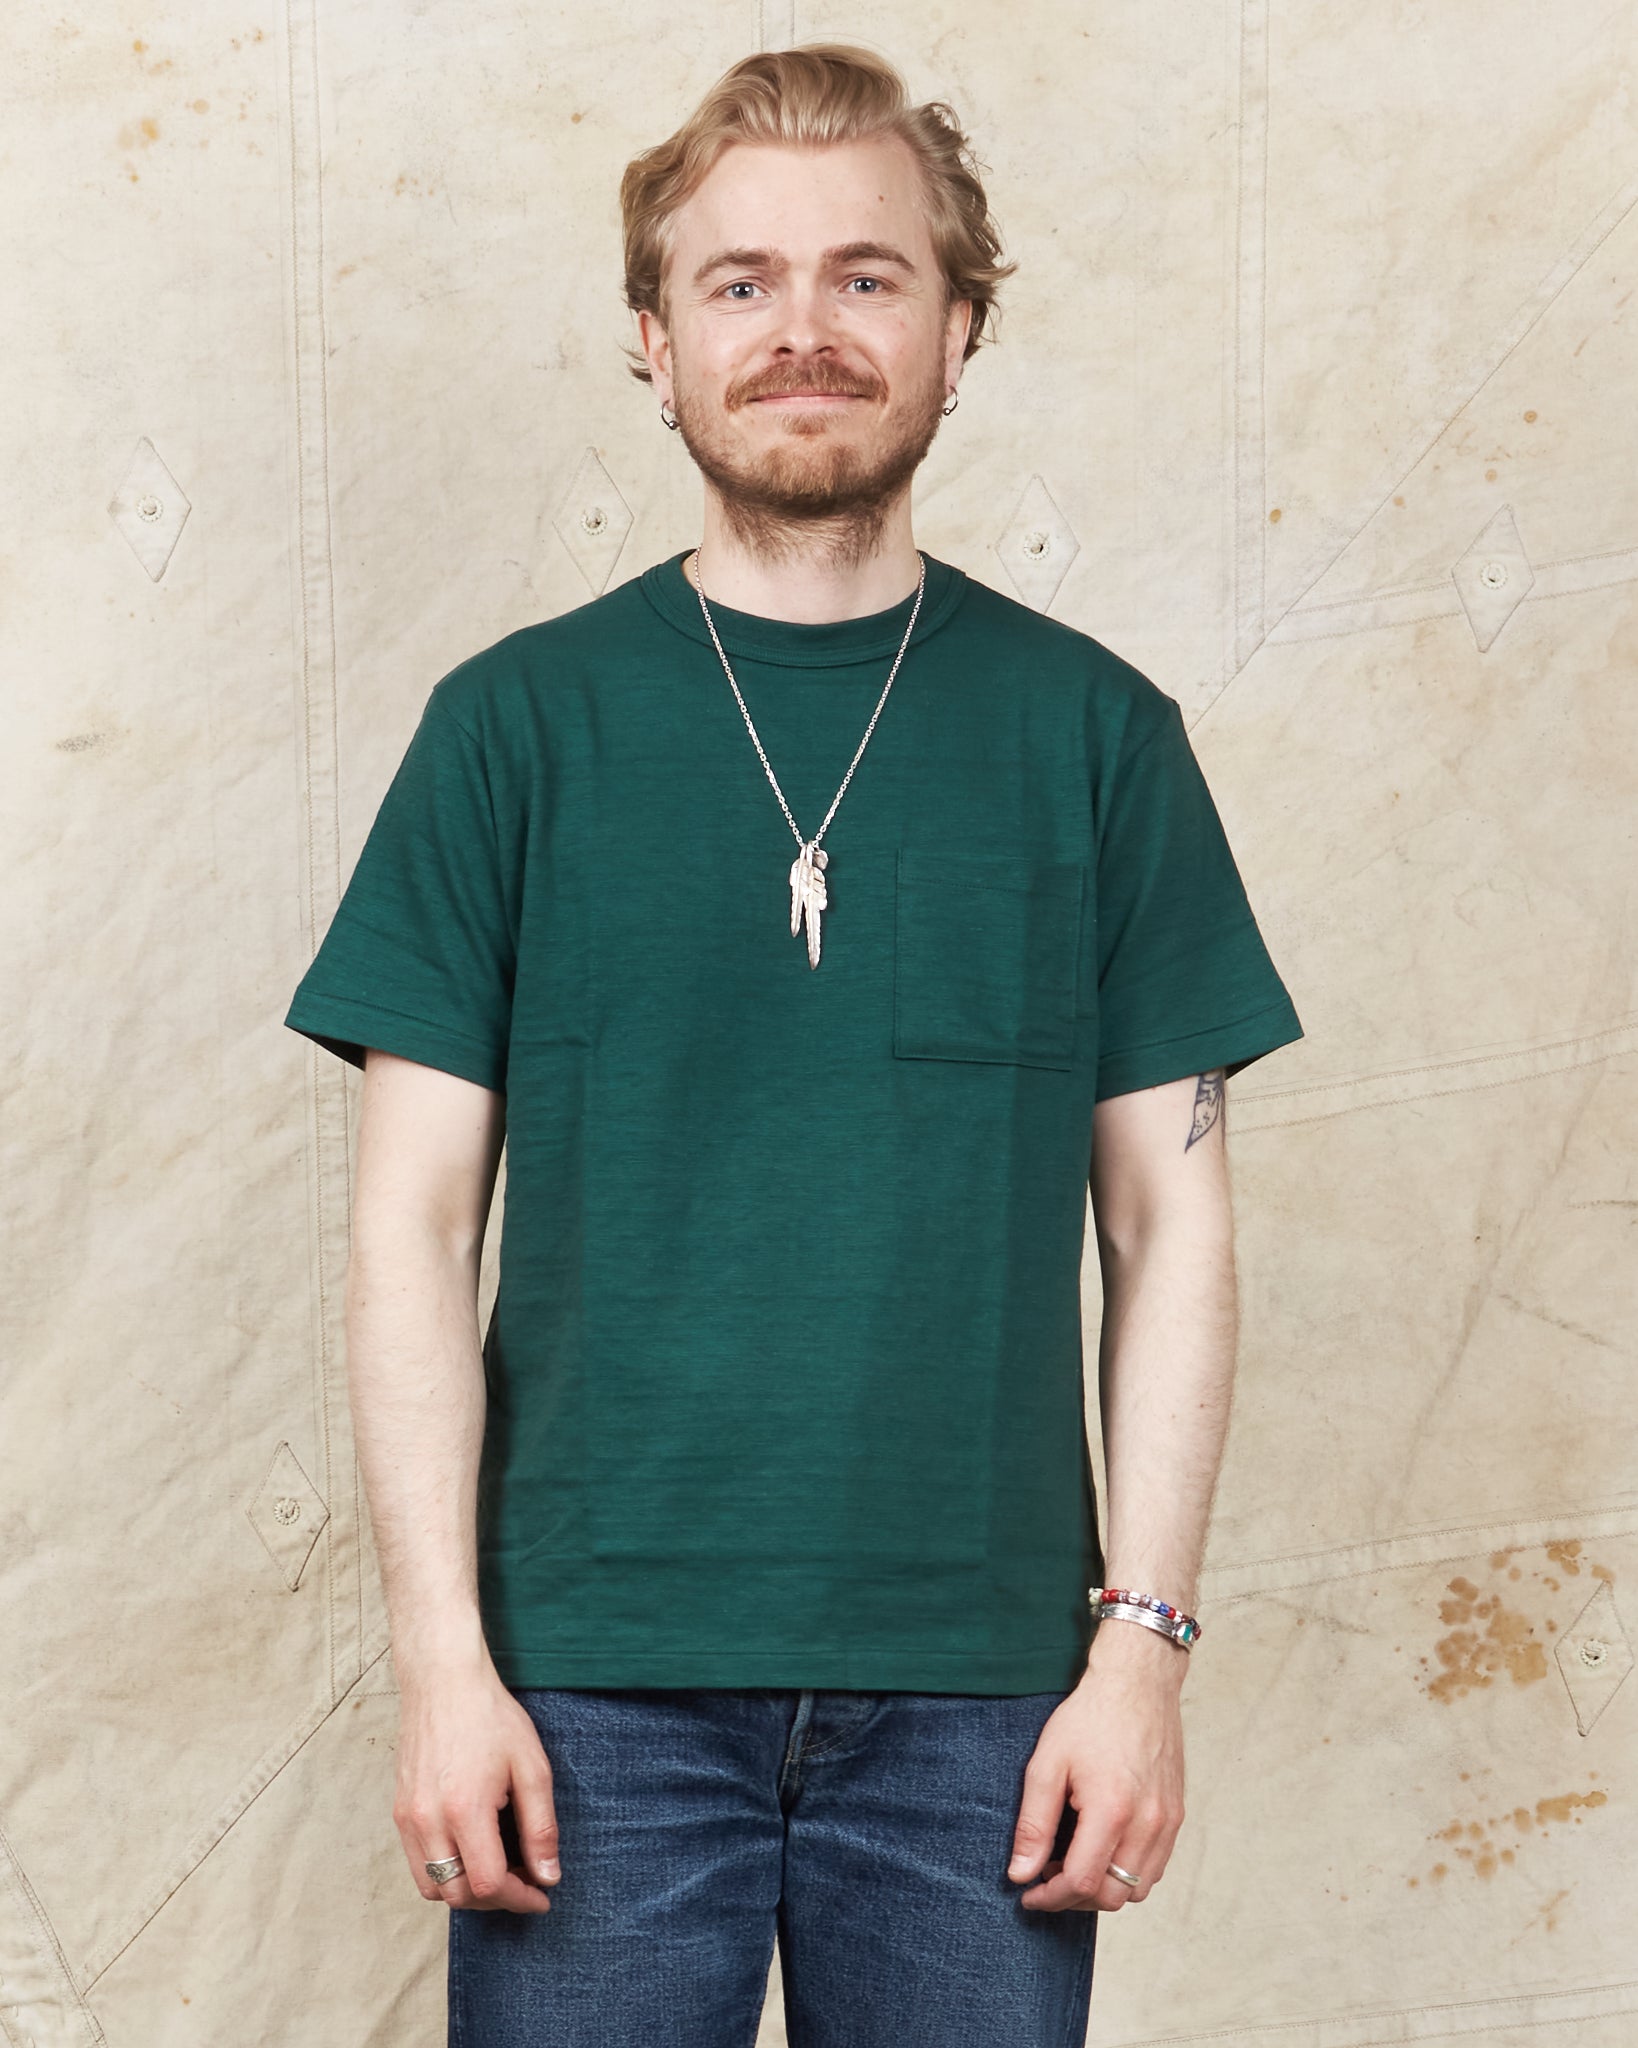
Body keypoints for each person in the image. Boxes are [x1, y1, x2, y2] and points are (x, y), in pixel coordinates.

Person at [284, 40, 1304, 2048]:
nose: (802, 329)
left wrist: (1141, 1657)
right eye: (738, 281)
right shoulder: (514, 732)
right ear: (654, 340)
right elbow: (412, 1226)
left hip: (986, 1699)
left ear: (958, 329)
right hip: (583, 1685)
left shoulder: (1097, 739)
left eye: (867, 274)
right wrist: (443, 1666)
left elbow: (1168, 1227)